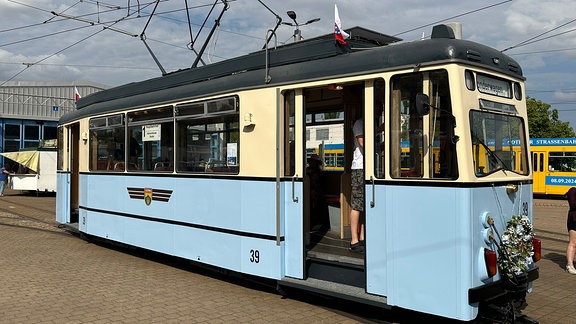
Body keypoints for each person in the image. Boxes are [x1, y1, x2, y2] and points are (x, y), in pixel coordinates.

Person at [349, 118, 365, 253]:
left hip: (369, 168)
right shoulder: (359, 123)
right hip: (359, 168)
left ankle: (362, 236)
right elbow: (362, 142)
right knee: (357, 204)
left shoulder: (372, 122)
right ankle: (354, 240)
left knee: (364, 205)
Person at [566, 187, 576, 274]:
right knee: (573, 243)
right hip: (574, 220)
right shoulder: (572, 191)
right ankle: (570, 265)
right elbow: (573, 205)